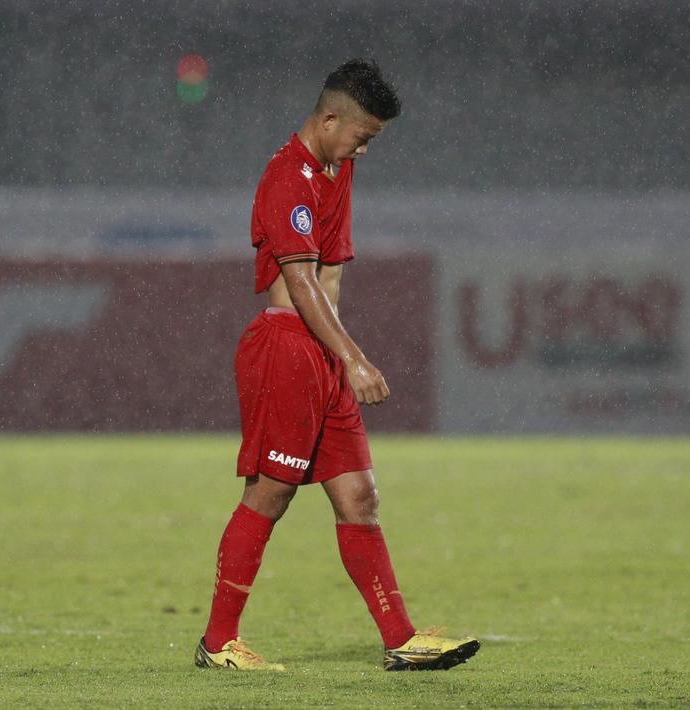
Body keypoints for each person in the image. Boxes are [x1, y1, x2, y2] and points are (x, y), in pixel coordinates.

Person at [194, 59, 479, 672]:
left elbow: (332, 269)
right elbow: (299, 282)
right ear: (329, 119)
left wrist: (339, 354)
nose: (364, 151)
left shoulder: (336, 168)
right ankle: (217, 643)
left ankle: (400, 640)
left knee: (359, 496)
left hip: (322, 351)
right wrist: (352, 357)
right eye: (362, 137)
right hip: (286, 349)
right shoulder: (285, 179)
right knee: (270, 494)